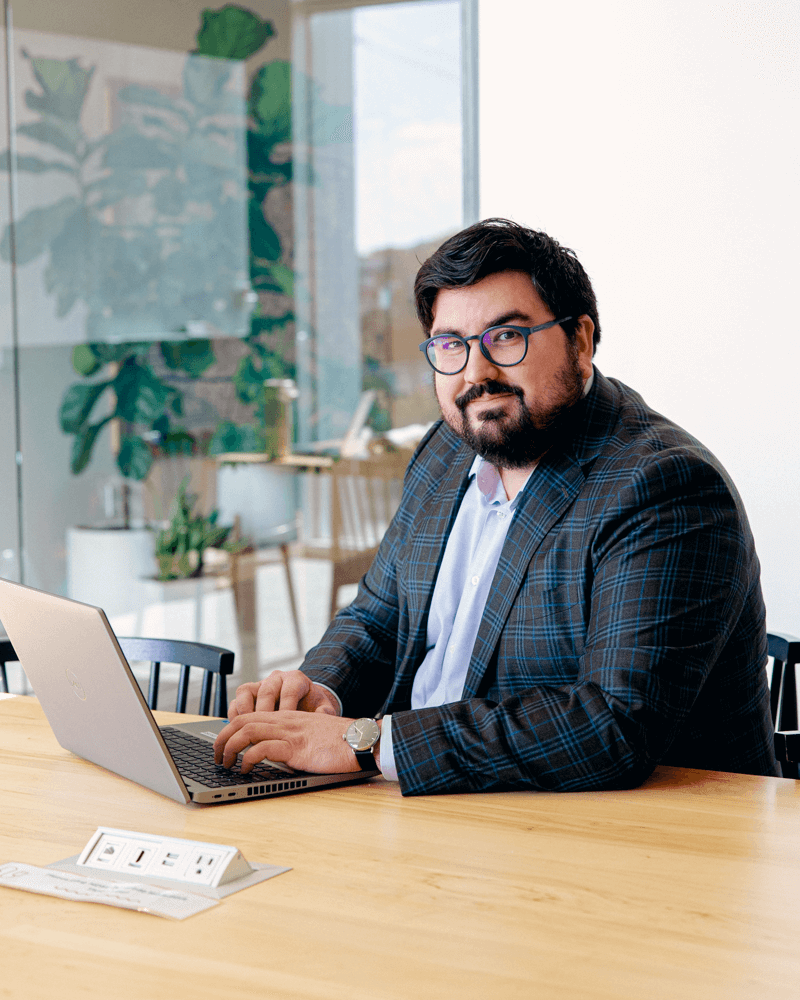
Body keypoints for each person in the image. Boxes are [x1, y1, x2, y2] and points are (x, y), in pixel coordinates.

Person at [214, 218, 779, 794]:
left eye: (506, 337)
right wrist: (318, 694)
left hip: (640, 844)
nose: (477, 374)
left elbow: (612, 727)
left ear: (580, 341)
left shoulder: (663, 485)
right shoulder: (443, 451)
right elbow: (379, 620)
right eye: (451, 346)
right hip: (438, 809)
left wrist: (370, 744)